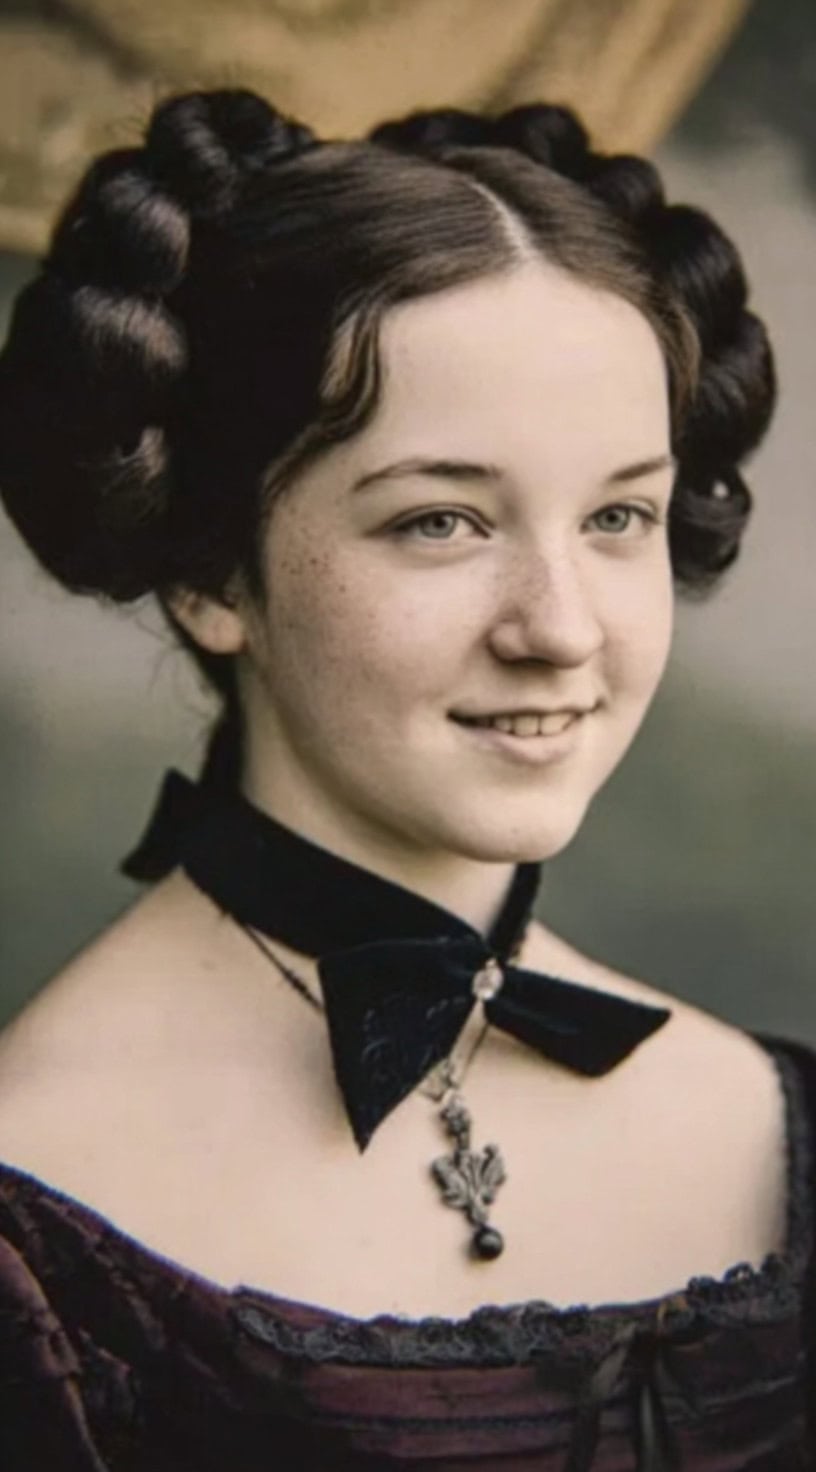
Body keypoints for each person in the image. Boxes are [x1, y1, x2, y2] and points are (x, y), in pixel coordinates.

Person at [0, 87, 809, 1471]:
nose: (561, 629)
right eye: (442, 521)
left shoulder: (772, 1122)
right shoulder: (42, 1221)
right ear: (209, 574)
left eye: (619, 515)